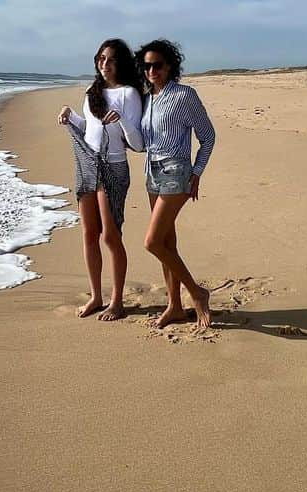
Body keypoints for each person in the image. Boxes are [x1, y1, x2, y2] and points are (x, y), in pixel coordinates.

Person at [58, 39, 145, 321]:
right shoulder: (91, 91)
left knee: (110, 235)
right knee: (89, 233)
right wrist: (70, 116)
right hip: (87, 163)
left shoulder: (129, 94)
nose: (104, 65)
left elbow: (138, 143)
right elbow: (89, 129)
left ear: (121, 64)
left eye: (111, 60)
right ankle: (96, 296)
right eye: (101, 59)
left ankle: (117, 301)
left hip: (113, 166)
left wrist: (121, 120)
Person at [135, 38, 216, 329]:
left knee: (152, 242)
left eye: (157, 65)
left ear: (170, 65)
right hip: (151, 172)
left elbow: (208, 136)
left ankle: (197, 293)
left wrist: (196, 172)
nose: (152, 71)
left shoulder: (185, 96)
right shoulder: (148, 99)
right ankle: (175, 306)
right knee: (167, 242)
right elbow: (142, 141)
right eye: (146, 66)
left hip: (176, 171)